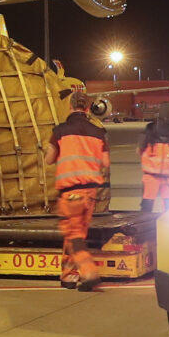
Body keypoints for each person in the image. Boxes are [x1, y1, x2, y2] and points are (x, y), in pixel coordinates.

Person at [50, 90, 112, 288]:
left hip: (71, 193)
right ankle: (68, 276)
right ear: (88, 108)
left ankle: (89, 273)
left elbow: (49, 158)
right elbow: (106, 162)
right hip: (90, 193)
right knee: (74, 234)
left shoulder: (60, 130)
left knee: (74, 236)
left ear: (70, 106)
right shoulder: (98, 132)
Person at [138, 101, 169, 212]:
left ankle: (146, 225)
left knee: (148, 205)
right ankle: (168, 227)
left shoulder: (150, 129)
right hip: (165, 177)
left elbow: (140, 149)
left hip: (156, 177)